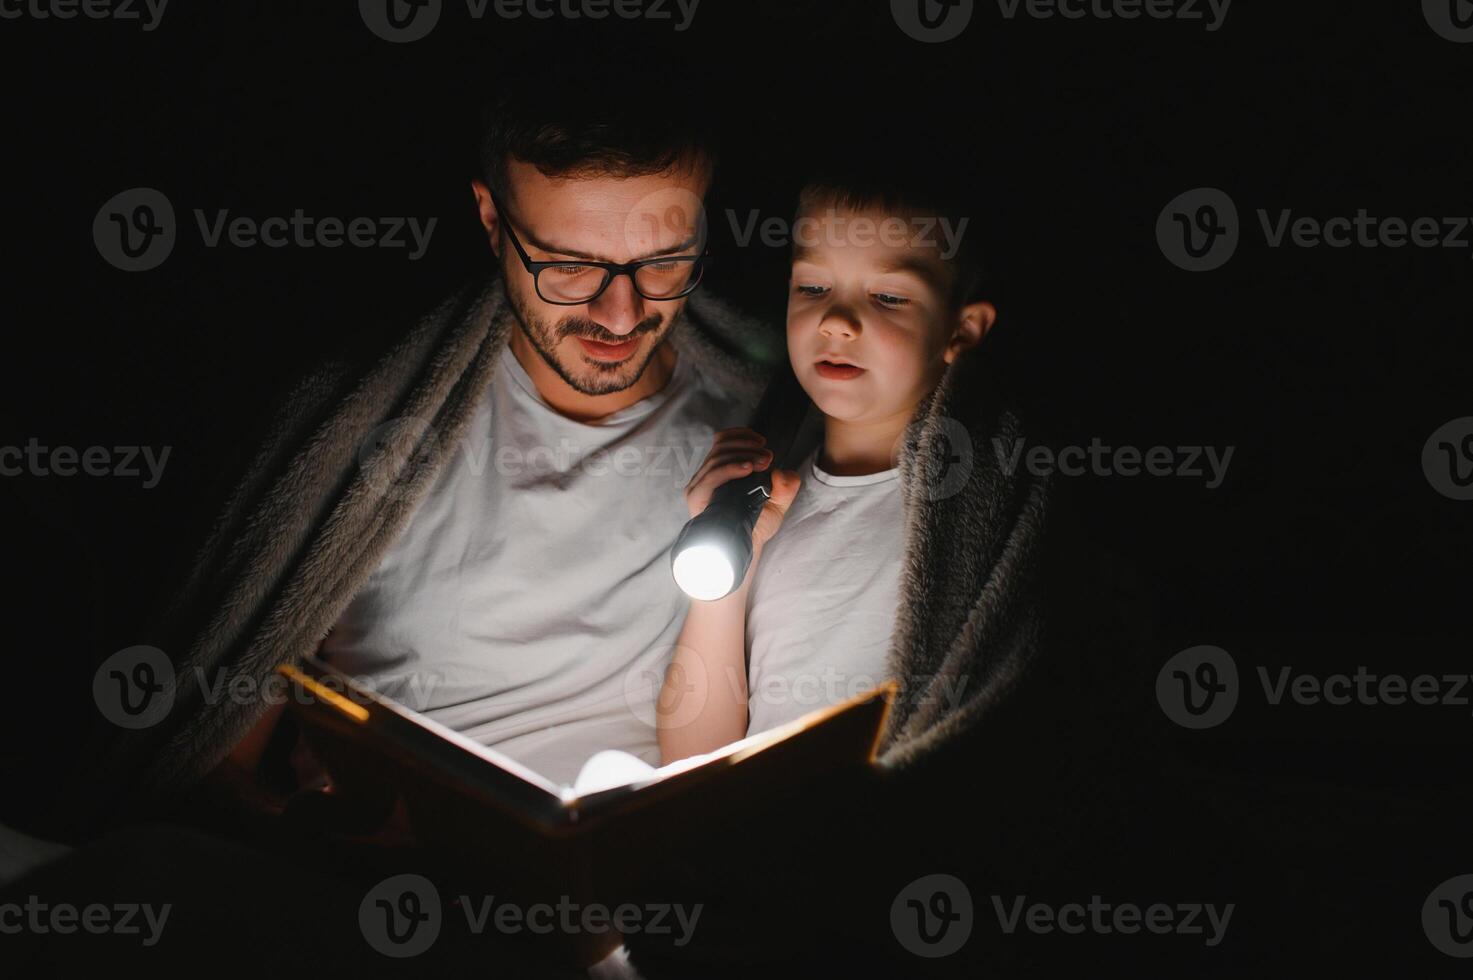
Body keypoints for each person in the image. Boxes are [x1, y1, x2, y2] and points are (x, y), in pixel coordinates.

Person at [657, 169, 997, 762]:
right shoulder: (762, 499)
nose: (836, 322)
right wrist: (728, 566)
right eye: (813, 288)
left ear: (961, 329)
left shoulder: (967, 510)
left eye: (888, 296)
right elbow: (692, 757)